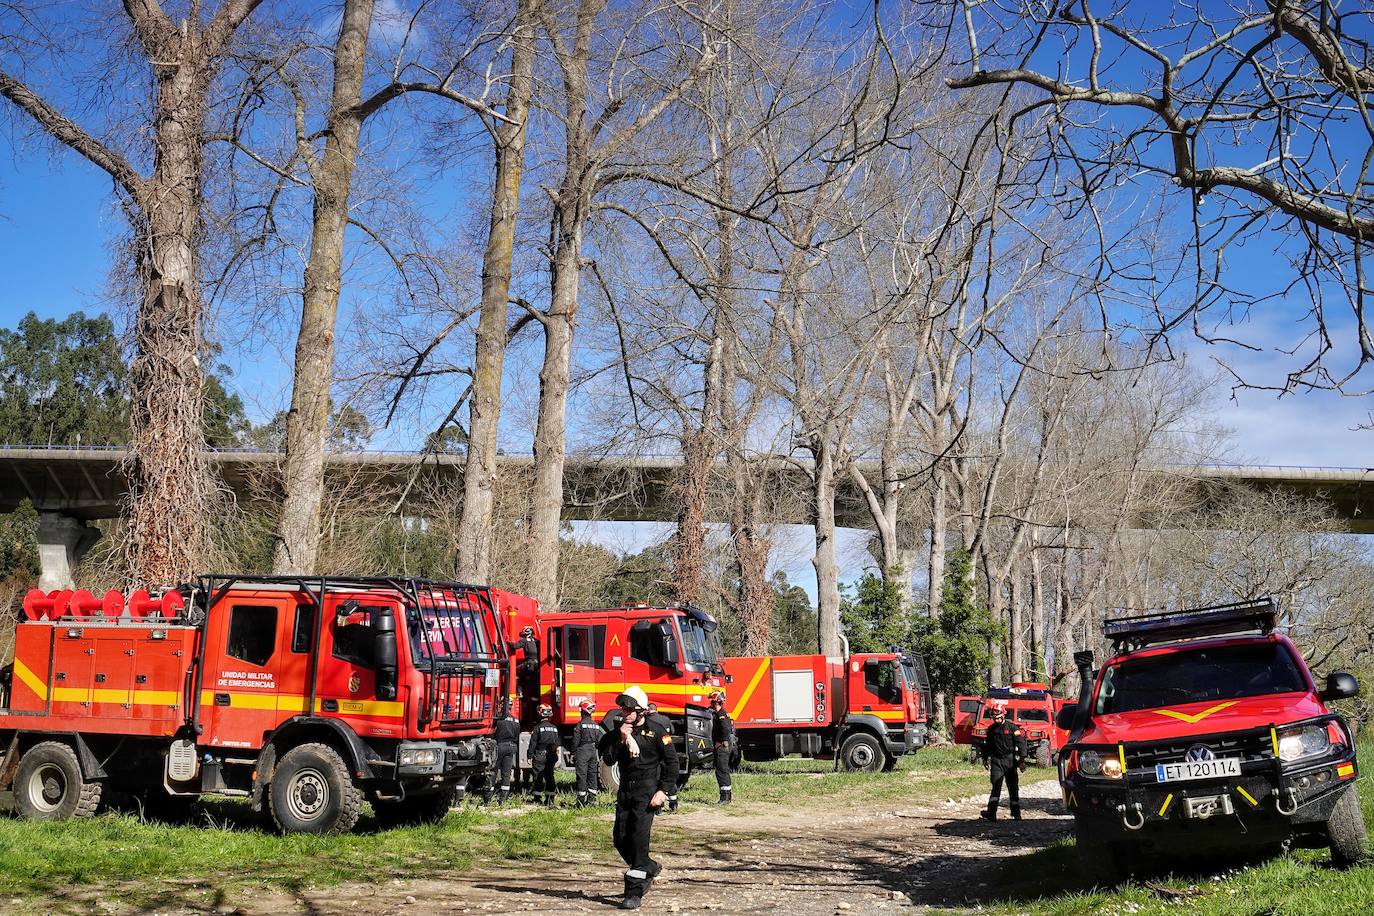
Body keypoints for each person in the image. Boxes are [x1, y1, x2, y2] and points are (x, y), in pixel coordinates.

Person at [598, 685, 677, 910]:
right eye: (622, 708)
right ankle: (649, 867)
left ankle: (634, 892)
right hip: (625, 790)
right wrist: (622, 738)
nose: (625, 712)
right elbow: (610, 759)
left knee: (639, 840)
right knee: (620, 839)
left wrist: (663, 791)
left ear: (641, 710)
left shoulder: (657, 732)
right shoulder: (619, 732)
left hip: (648, 791)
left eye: (629, 709)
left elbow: (672, 764)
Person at [979, 705, 1027, 821]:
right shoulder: (991, 729)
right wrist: (985, 758)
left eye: (998, 718)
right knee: (996, 786)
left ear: (1003, 715)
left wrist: (1022, 760)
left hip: (1010, 761)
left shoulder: (1012, 728)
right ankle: (991, 813)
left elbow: (1021, 744)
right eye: (994, 718)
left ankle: (1016, 814)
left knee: (1013, 787)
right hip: (996, 761)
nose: (996, 720)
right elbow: (988, 745)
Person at [645, 702, 679, 813]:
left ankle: (658, 807)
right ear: (657, 709)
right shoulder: (665, 719)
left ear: (648, 710)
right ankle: (673, 804)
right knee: (668, 777)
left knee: (657, 778)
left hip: (655, 753)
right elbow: (672, 731)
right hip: (667, 750)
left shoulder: (648, 721)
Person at [529, 703, 561, 808]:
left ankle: (537, 799)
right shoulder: (555, 728)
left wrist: (529, 755)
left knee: (538, 777)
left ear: (540, 713)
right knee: (550, 776)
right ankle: (550, 800)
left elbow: (533, 743)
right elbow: (556, 743)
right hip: (551, 755)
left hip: (540, 754)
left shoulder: (537, 728)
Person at [573, 700, 603, 807]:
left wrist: (573, 752)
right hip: (592, 751)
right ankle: (592, 800)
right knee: (592, 774)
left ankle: (581, 801)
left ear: (583, 711)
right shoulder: (596, 725)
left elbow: (576, 741)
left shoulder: (580, 725)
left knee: (582, 774)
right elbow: (599, 741)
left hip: (582, 750)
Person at [708, 690, 735, 804]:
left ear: (716, 702)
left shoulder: (721, 715)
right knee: (722, 770)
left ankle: (725, 798)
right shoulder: (720, 714)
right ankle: (726, 796)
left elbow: (725, 730)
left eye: (712, 702)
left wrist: (722, 742)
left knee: (722, 771)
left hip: (721, 747)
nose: (710, 704)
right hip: (721, 746)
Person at [493, 698, 521, 804]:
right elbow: (517, 735)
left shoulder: (497, 718)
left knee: (493, 771)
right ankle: (503, 800)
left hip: (499, 746)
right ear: (511, 706)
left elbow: (492, 732)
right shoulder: (516, 720)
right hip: (511, 747)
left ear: (501, 705)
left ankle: (487, 799)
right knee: (506, 774)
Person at [510, 626, 540, 719]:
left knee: (514, 671)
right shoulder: (536, 641)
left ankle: (519, 691)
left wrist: (507, 641)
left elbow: (514, 646)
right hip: (536, 666)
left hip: (529, 664)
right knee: (531, 685)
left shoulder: (524, 640)